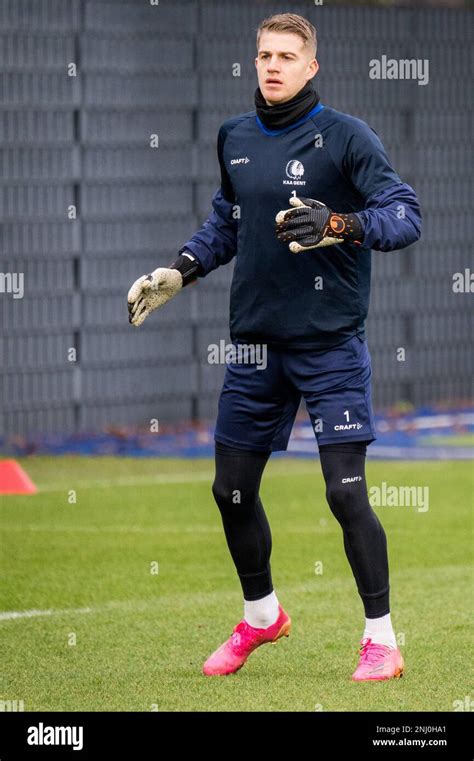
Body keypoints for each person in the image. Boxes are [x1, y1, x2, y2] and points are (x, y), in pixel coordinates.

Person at [127, 12, 421, 681]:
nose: (274, 65)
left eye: (288, 55)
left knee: (345, 493)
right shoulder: (234, 136)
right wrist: (182, 268)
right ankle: (262, 616)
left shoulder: (347, 137)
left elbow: (406, 214)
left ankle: (382, 639)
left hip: (330, 346)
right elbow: (227, 221)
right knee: (230, 490)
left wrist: (341, 224)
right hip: (257, 347)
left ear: (311, 65)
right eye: (264, 54)